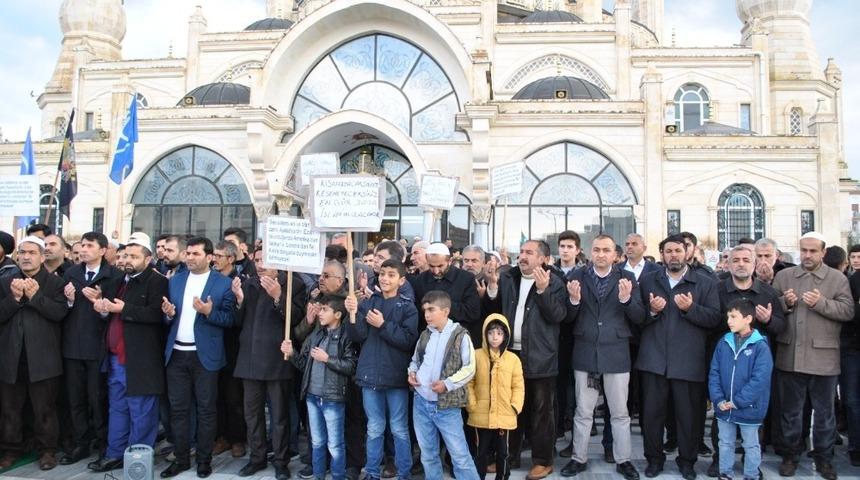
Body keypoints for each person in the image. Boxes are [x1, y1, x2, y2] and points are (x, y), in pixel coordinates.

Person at [636, 234, 722, 480]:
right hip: (654, 360)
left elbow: (715, 319)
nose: (673, 255)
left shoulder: (704, 283)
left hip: (688, 361)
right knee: (652, 416)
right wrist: (651, 311)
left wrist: (690, 309)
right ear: (661, 254)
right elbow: (636, 318)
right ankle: (654, 459)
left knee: (689, 418)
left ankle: (687, 461)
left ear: (687, 252)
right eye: (668, 251)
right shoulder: (649, 281)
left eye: (678, 250)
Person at [772, 232, 854, 479]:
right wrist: (784, 302)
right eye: (803, 251)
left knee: (825, 414)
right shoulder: (785, 276)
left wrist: (821, 303)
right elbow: (771, 308)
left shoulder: (837, 279)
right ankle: (790, 455)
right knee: (791, 412)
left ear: (823, 252)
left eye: (812, 251)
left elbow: (848, 311)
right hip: (790, 356)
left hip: (824, 359)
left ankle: (824, 458)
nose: (807, 256)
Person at [483, 240, 566, 480]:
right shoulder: (508, 277)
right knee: (510, 409)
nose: (523, 256)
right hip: (510, 354)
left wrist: (543, 290)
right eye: (521, 252)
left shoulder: (555, 282)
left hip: (541, 356)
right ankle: (507, 457)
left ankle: (543, 461)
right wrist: (491, 286)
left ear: (542, 259)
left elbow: (558, 315)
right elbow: (494, 309)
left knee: (542, 412)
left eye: (529, 253)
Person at [561, 235, 643, 480]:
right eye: (596, 249)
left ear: (615, 254)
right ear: (589, 251)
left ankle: (624, 459)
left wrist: (626, 299)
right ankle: (579, 458)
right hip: (586, 352)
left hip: (616, 352)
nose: (601, 254)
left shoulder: (626, 279)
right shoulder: (576, 277)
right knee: (583, 411)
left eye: (606, 250)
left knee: (619, 412)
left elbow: (639, 317)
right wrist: (574, 302)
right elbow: (566, 318)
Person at [88, 234, 169, 472]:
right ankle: (114, 453)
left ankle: (137, 458)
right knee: (118, 409)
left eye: (134, 256)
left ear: (148, 258)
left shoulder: (157, 282)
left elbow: (157, 315)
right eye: (125, 255)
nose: (128, 260)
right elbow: (109, 314)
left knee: (142, 411)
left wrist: (125, 309)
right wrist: (102, 309)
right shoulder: (116, 281)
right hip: (115, 359)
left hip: (141, 360)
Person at [160, 237, 236, 479]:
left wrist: (209, 311)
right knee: (178, 410)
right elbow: (168, 317)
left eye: (195, 254)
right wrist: (169, 315)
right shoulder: (176, 280)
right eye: (188, 253)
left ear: (209, 257)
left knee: (206, 410)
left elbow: (230, 320)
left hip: (205, 357)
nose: (190, 258)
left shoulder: (223, 284)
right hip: (177, 355)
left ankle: (204, 460)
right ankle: (181, 458)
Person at [709, 245, 785, 476]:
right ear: (729, 263)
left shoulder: (767, 292)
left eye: (746, 259)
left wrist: (769, 319)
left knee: (751, 427)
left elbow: (782, 327)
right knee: (722, 423)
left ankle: (752, 467)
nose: (741, 263)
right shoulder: (717, 289)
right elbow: (709, 320)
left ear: (754, 264)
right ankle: (720, 461)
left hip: (753, 366)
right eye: (736, 260)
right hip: (724, 361)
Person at [232, 248, 305, 480]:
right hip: (249, 358)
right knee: (252, 414)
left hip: (277, 359)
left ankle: (281, 461)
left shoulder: (294, 282)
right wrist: (240, 301)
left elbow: (297, 320)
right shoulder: (249, 283)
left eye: (265, 259)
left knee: (280, 416)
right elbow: (237, 323)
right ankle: (257, 457)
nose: (260, 264)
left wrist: (278, 297)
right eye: (257, 259)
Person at [344, 259, 418, 480]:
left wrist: (384, 326)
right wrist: (353, 314)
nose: (385, 278)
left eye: (391, 275)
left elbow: (408, 340)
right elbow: (358, 336)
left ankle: (404, 472)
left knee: (398, 429)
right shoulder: (370, 302)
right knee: (374, 428)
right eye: (383, 274)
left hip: (395, 377)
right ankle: (372, 473)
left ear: (401, 280)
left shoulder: (407, 306)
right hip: (369, 374)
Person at [0, 236, 69, 470]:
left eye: (31, 252)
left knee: (45, 409)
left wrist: (35, 297)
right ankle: (11, 449)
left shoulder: (55, 283)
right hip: (11, 357)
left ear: (42, 256)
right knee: (10, 409)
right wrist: (15, 298)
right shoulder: (5, 282)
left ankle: (47, 450)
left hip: (43, 358)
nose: (26, 257)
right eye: (22, 252)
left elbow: (59, 313)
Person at [59, 231, 123, 465]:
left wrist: (101, 303)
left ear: (103, 250)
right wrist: (68, 301)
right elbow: (61, 310)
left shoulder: (114, 276)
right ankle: (80, 444)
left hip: (99, 347)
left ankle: (104, 444)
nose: (83, 250)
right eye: (82, 245)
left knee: (98, 399)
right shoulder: (71, 273)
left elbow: (116, 314)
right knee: (75, 399)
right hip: (72, 346)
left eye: (89, 246)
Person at [408, 290, 479, 480]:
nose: (427, 315)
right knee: (428, 455)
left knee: (460, 456)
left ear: (446, 311)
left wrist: (447, 384)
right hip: (421, 402)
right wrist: (412, 373)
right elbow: (415, 360)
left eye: (431, 310)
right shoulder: (425, 334)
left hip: (446, 406)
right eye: (425, 310)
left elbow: (470, 368)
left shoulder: (460, 335)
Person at [283, 294, 356, 480]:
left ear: (338, 314)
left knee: (335, 444)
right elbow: (304, 364)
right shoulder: (316, 335)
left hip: (333, 398)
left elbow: (351, 366)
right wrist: (291, 354)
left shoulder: (346, 337)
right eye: (320, 309)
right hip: (312, 396)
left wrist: (327, 359)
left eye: (325, 310)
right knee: (316, 441)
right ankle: (318, 475)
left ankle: (338, 475)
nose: (320, 313)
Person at [708, 299, 773, 480]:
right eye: (728, 316)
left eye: (734, 316)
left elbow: (759, 380)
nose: (729, 320)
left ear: (748, 318)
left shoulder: (760, 346)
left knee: (751, 444)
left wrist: (737, 402)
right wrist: (718, 399)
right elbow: (714, 372)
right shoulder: (724, 342)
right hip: (724, 408)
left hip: (748, 408)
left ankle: (751, 474)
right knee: (725, 443)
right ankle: (725, 473)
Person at [466, 313, 524, 480]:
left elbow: (518, 386)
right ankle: (479, 476)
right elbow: (468, 383)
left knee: (503, 452)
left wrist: (515, 406)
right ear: (485, 334)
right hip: (480, 414)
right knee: (481, 451)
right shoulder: (476, 356)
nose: (494, 337)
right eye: (491, 333)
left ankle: (503, 476)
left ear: (505, 335)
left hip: (504, 413)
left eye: (499, 333)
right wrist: (472, 404)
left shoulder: (513, 359)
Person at [210, 240, 247, 459]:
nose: (214, 259)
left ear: (231, 259)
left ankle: (237, 439)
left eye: (219, 256)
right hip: (212, 345)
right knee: (215, 397)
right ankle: (221, 437)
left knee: (234, 398)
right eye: (213, 255)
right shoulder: (210, 279)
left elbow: (240, 317)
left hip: (233, 347)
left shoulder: (240, 281)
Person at [409, 243, 481, 341]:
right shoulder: (420, 280)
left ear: (450, 261)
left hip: (456, 339)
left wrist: (441, 308)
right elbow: (415, 311)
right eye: (431, 266)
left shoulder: (466, 279)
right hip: (429, 339)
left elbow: (473, 312)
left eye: (440, 266)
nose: (436, 271)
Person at [844, 246, 860, 467]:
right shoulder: (852, 280)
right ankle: (856, 446)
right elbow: (847, 311)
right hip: (852, 347)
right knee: (852, 400)